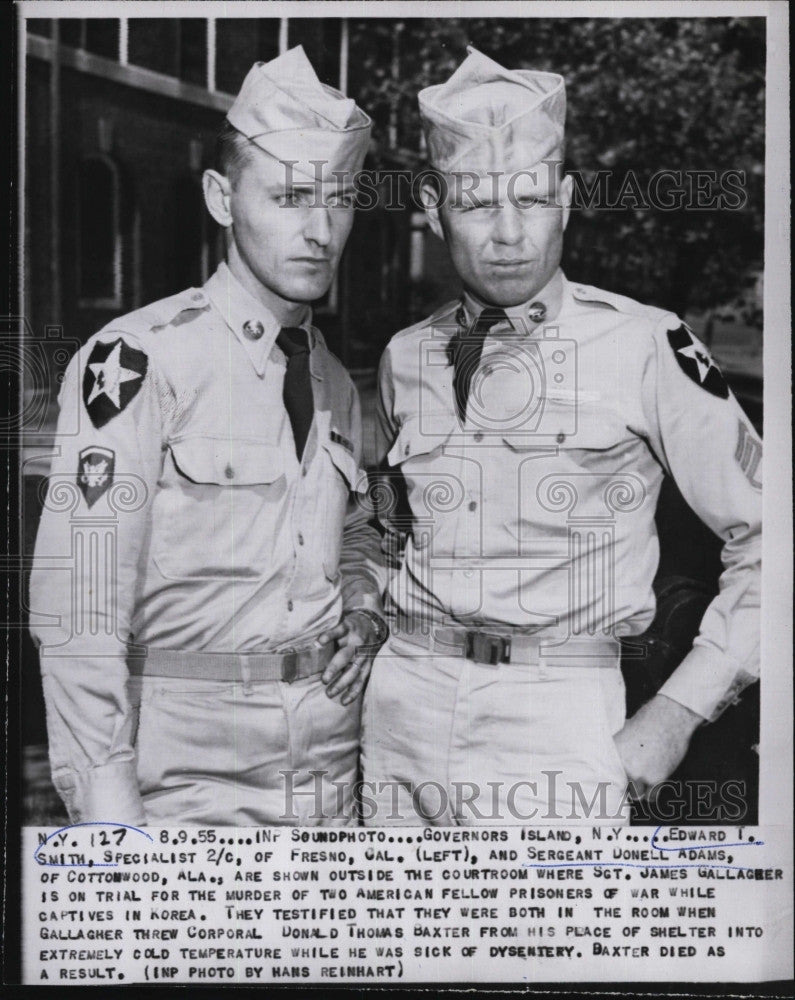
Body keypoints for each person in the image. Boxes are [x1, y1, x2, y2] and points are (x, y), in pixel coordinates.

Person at [360, 48, 762, 825]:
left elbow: (768, 540)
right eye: (477, 205)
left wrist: (677, 713)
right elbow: (393, 525)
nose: (509, 234)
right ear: (432, 205)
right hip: (402, 711)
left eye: (532, 200)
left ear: (567, 198)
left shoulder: (646, 344)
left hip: (557, 716)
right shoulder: (403, 356)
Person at [29, 46, 388, 827]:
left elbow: (351, 528)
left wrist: (363, 609)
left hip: (328, 786)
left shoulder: (328, 377)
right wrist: (109, 828)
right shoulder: (139, 361)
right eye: (289, 196)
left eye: (338, 199)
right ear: (222, 198)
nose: (318, 230)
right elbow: (78, 609)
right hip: (188, 792)